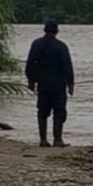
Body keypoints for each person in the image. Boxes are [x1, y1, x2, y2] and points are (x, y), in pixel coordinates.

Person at [26, 19, 74, 147]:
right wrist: (70, 84)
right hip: (58, 84)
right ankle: (57, 139)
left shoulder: (36, 44)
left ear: (44, 30)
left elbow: (31, 63)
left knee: (42, 111)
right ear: (57, 31)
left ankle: (43, 139)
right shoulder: (61, 46)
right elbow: (67, 66)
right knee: (59, 112)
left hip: (43, 83)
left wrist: (31, 81)